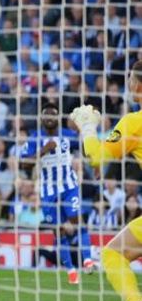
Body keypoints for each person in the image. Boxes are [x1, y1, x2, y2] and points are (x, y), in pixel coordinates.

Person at [70, 60, 142, 301]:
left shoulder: (134, 122)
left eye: (130, 81)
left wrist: (88, 127)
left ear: (136, 86)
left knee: (112, 255)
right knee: (113, 252)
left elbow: (99, 158)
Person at [26, 103, 93, 285]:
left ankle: (88, 259)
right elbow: (24, 163)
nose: (49, 118)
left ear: (57, 117)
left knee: (76, 220)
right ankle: (71, 270)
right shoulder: (34, 138)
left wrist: (85, 129)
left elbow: (85, 148)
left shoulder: (68, 134)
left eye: (53, 115)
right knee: (59, 231)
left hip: (69, 185)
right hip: (48, 192)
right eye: (46, 115)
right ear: (41, 118)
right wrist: (43, 150)